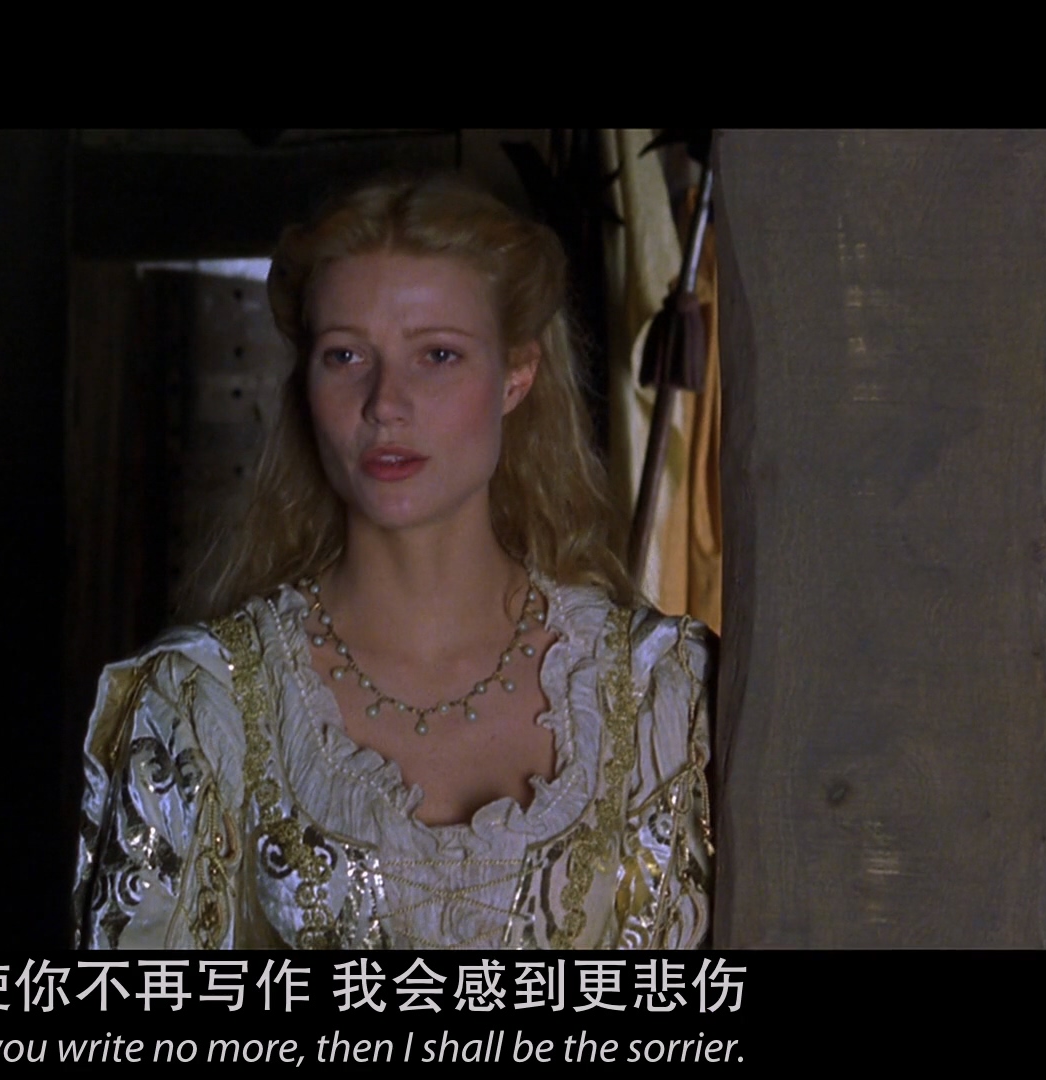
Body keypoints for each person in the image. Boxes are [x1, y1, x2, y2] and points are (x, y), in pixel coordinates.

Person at [73, 174, 713, 950]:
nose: (385, 403)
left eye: (438, 354)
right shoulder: (204, 703)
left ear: (516, 376)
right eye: (345, 355)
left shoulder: (652, 695)